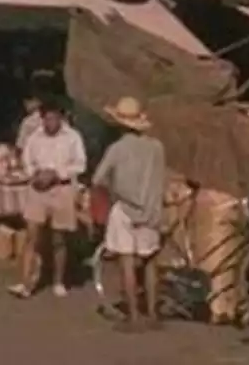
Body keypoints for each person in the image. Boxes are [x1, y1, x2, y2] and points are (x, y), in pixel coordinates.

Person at [91, 96, 167, 332]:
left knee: (127, 262)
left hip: (125, 209)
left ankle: (134, 316)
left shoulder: (117, 149)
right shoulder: (157, 147)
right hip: (152, 210)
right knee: (150, 261)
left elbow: (97, 179)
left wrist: (115, 189)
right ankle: (153, 314)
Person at [11, 97, 86, 298]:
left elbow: (80, 164)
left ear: (61, 118)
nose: (50, 123)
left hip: (61, 189)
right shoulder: (35, 138)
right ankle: (25, 283)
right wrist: (35, 174)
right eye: (47, 119)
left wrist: (56, 173)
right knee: (31, 236)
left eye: (54, 119)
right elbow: (27, 161)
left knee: (58, 239)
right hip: (38, 190)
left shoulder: (72, 137)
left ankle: (58, 281)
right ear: (42, 119)